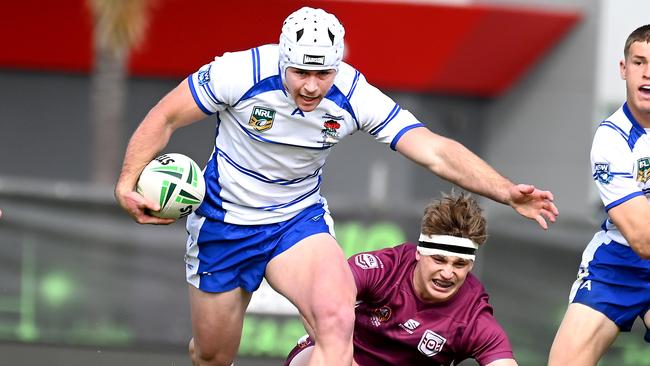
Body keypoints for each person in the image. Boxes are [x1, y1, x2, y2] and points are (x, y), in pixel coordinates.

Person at [114, 6, 557, 366]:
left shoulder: (354, 93)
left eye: (323, 74)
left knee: (336, 317)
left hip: (296, 221)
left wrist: (504, 190)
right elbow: (166, 115)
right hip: (224, 224)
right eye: (301, 73)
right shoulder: (238, 72)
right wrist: (127, 182)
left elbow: (434, 150)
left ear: (338, 65)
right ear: (282, 58)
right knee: (212, 355)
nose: (311, 87)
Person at [285, 192, 518, 366]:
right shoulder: (385, 269)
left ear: (471, 265)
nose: (448, 273)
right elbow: (317, 298)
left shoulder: (473, 317)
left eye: (459, 264)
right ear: (419, 253)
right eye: (439, 260)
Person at [548, 24, 650, 366]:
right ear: (624, 69)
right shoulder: (611, 139)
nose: (648, 74)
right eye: (639, 62)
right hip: (618, 263)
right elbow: (643, 238)